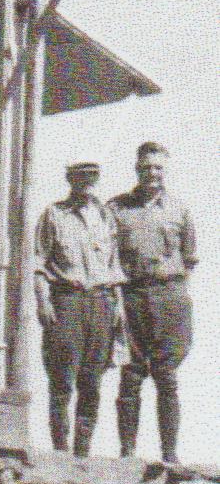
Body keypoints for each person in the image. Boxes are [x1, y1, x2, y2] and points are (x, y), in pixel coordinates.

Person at [109, 142, 197, 464]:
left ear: (165, 171)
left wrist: (175, 296)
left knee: (167, 376)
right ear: (137, 169)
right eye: (146, 168)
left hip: (169, 298)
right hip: (132, 296)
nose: (152, 174)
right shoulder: (116, 208)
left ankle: (169, 456)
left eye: (158, 168)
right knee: (131, 374)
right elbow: (107, 256)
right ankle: (127, 452)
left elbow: (189, 260)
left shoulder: (179, 209)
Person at [34, 161, 125, 456]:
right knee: (62, 378)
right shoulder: (53, 215)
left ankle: (82, 453)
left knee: (92, 381)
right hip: (67, 301)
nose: (85, 183)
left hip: (100, 302)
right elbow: (38, 264)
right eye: (79, 177)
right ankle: (60, 451)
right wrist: (43, 301)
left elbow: (113, 266)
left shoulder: (105, 216)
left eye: (91, 178)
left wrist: (118, 307)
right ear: (69, 180)